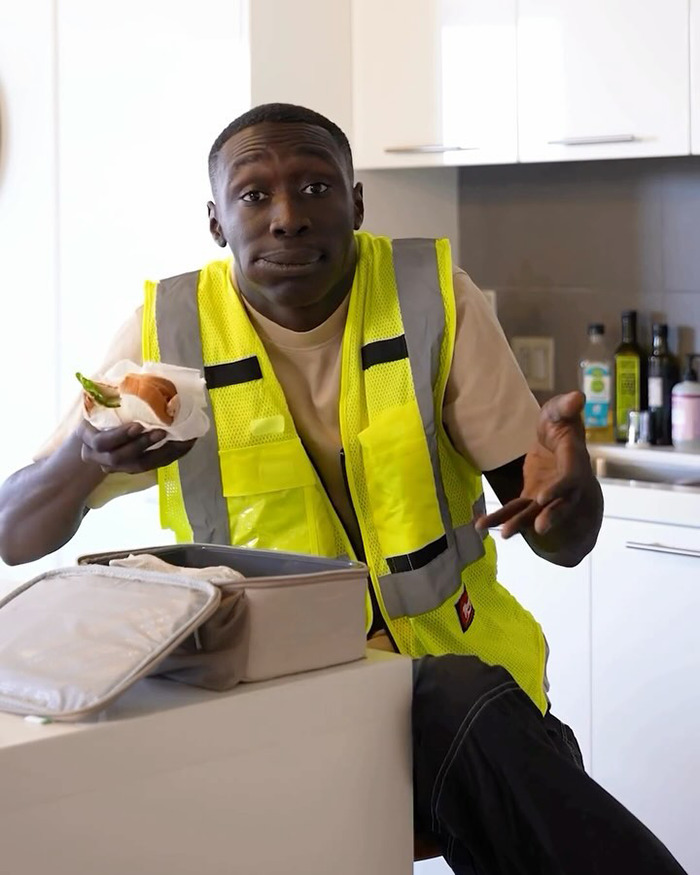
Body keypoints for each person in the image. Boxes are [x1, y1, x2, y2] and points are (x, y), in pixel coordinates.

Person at [0, 103, 686, 875]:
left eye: (317, 188)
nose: (289, 217)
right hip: (273, 708)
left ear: (357, 204)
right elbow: (14, 532)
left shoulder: (433, 298)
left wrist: (576, 494)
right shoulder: (168, 331)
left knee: (474, 714)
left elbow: (556, 535)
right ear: (216, 221)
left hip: (456, 694)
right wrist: (87, 458)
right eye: (255, 195)